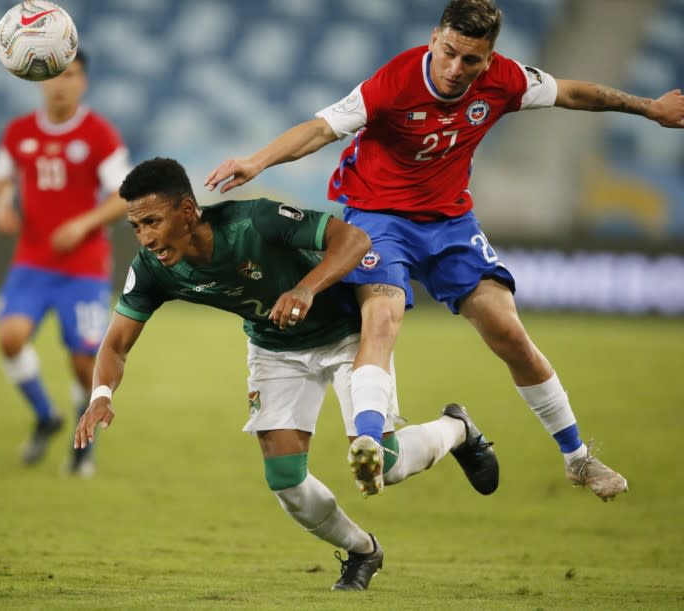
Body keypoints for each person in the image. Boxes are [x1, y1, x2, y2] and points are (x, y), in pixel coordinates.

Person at [205, 0, 684, 501]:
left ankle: (578, 458)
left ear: (489, 56)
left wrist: (648, 107)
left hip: (450, 223)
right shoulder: (392, 83)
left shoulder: (505, 78)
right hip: (377, 218)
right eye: (450, 53)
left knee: (509, 333)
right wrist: (258, 161)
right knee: (382, 318)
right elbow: (321, 128)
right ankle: (369, 440)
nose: (456, 69)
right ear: (435, 38)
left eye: (470, 60)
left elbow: (573, 92)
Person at [74, 157, 499, 591]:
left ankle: (455, 429)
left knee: (384, 466)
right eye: (136, 227)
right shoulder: (152, 270)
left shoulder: (254, 221)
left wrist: (305, 288)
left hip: (346, 334)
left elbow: (354, 240)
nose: (145, 238)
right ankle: (362, 550)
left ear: (186, 211)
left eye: (152, 222)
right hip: (274, 345)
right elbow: (115, 344)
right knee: (285, 480)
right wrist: (101, 394)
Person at [0, 50, 132, 476]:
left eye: (71, 75)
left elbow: (123, 195)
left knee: (84, 362)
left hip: (83, 269)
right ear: (41, 81)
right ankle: (46, 416)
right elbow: (1, 175)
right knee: (10, 337)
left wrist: (83, 223)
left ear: (83, 82)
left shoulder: (99, 134)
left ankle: (83, 444)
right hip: (32, 262)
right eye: (55, 76)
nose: (61, 83)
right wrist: (1, 203)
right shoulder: (18, 132)